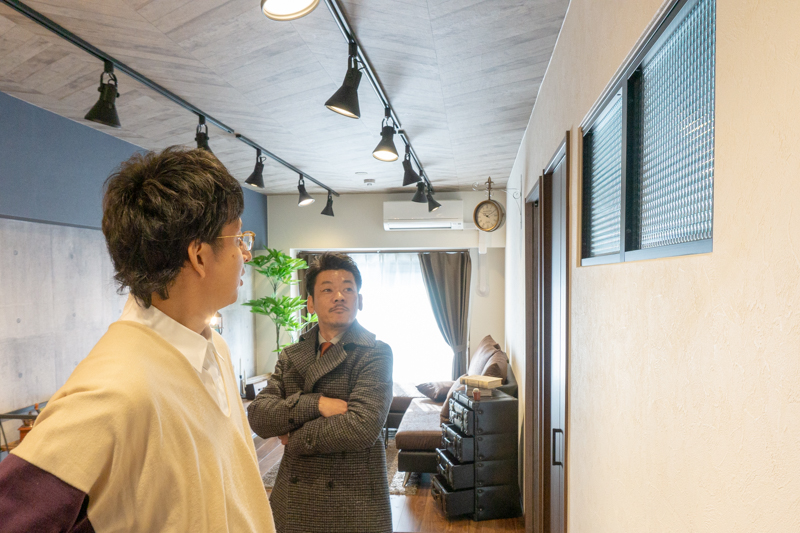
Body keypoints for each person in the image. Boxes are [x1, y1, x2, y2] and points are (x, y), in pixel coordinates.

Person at [0, 147, 275, 532]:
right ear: (199, 255)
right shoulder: (116, 390)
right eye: (238, 238)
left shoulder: (214, 347)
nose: (246, 253)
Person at [248, 252, 393, 533]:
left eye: (348, 289)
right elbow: (259, 416)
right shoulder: (291, 355)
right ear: (311, 303)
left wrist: (293, 436)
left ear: (360, 301)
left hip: (354, 501)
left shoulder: (375, 352)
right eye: (327, 290)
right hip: (294, 501)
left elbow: (362, 427)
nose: (339, 296)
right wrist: (317, 404)